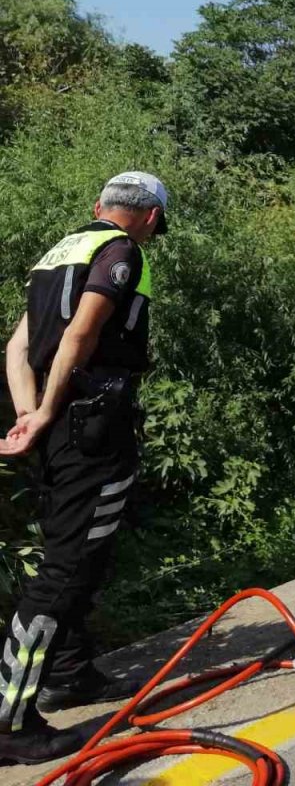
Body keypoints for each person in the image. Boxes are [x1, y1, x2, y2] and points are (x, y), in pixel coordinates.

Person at [0, 172, 168, 764]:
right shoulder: (122, 252)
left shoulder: (58, 254)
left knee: (79, 551)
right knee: (65, 571)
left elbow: (17, 348)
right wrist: (47, 411)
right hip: (91, 428)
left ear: (99, 205)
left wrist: (29, 414)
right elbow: (83, 331)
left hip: (57, 430)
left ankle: (70, 672)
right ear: (150, 217)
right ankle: (10, 721)